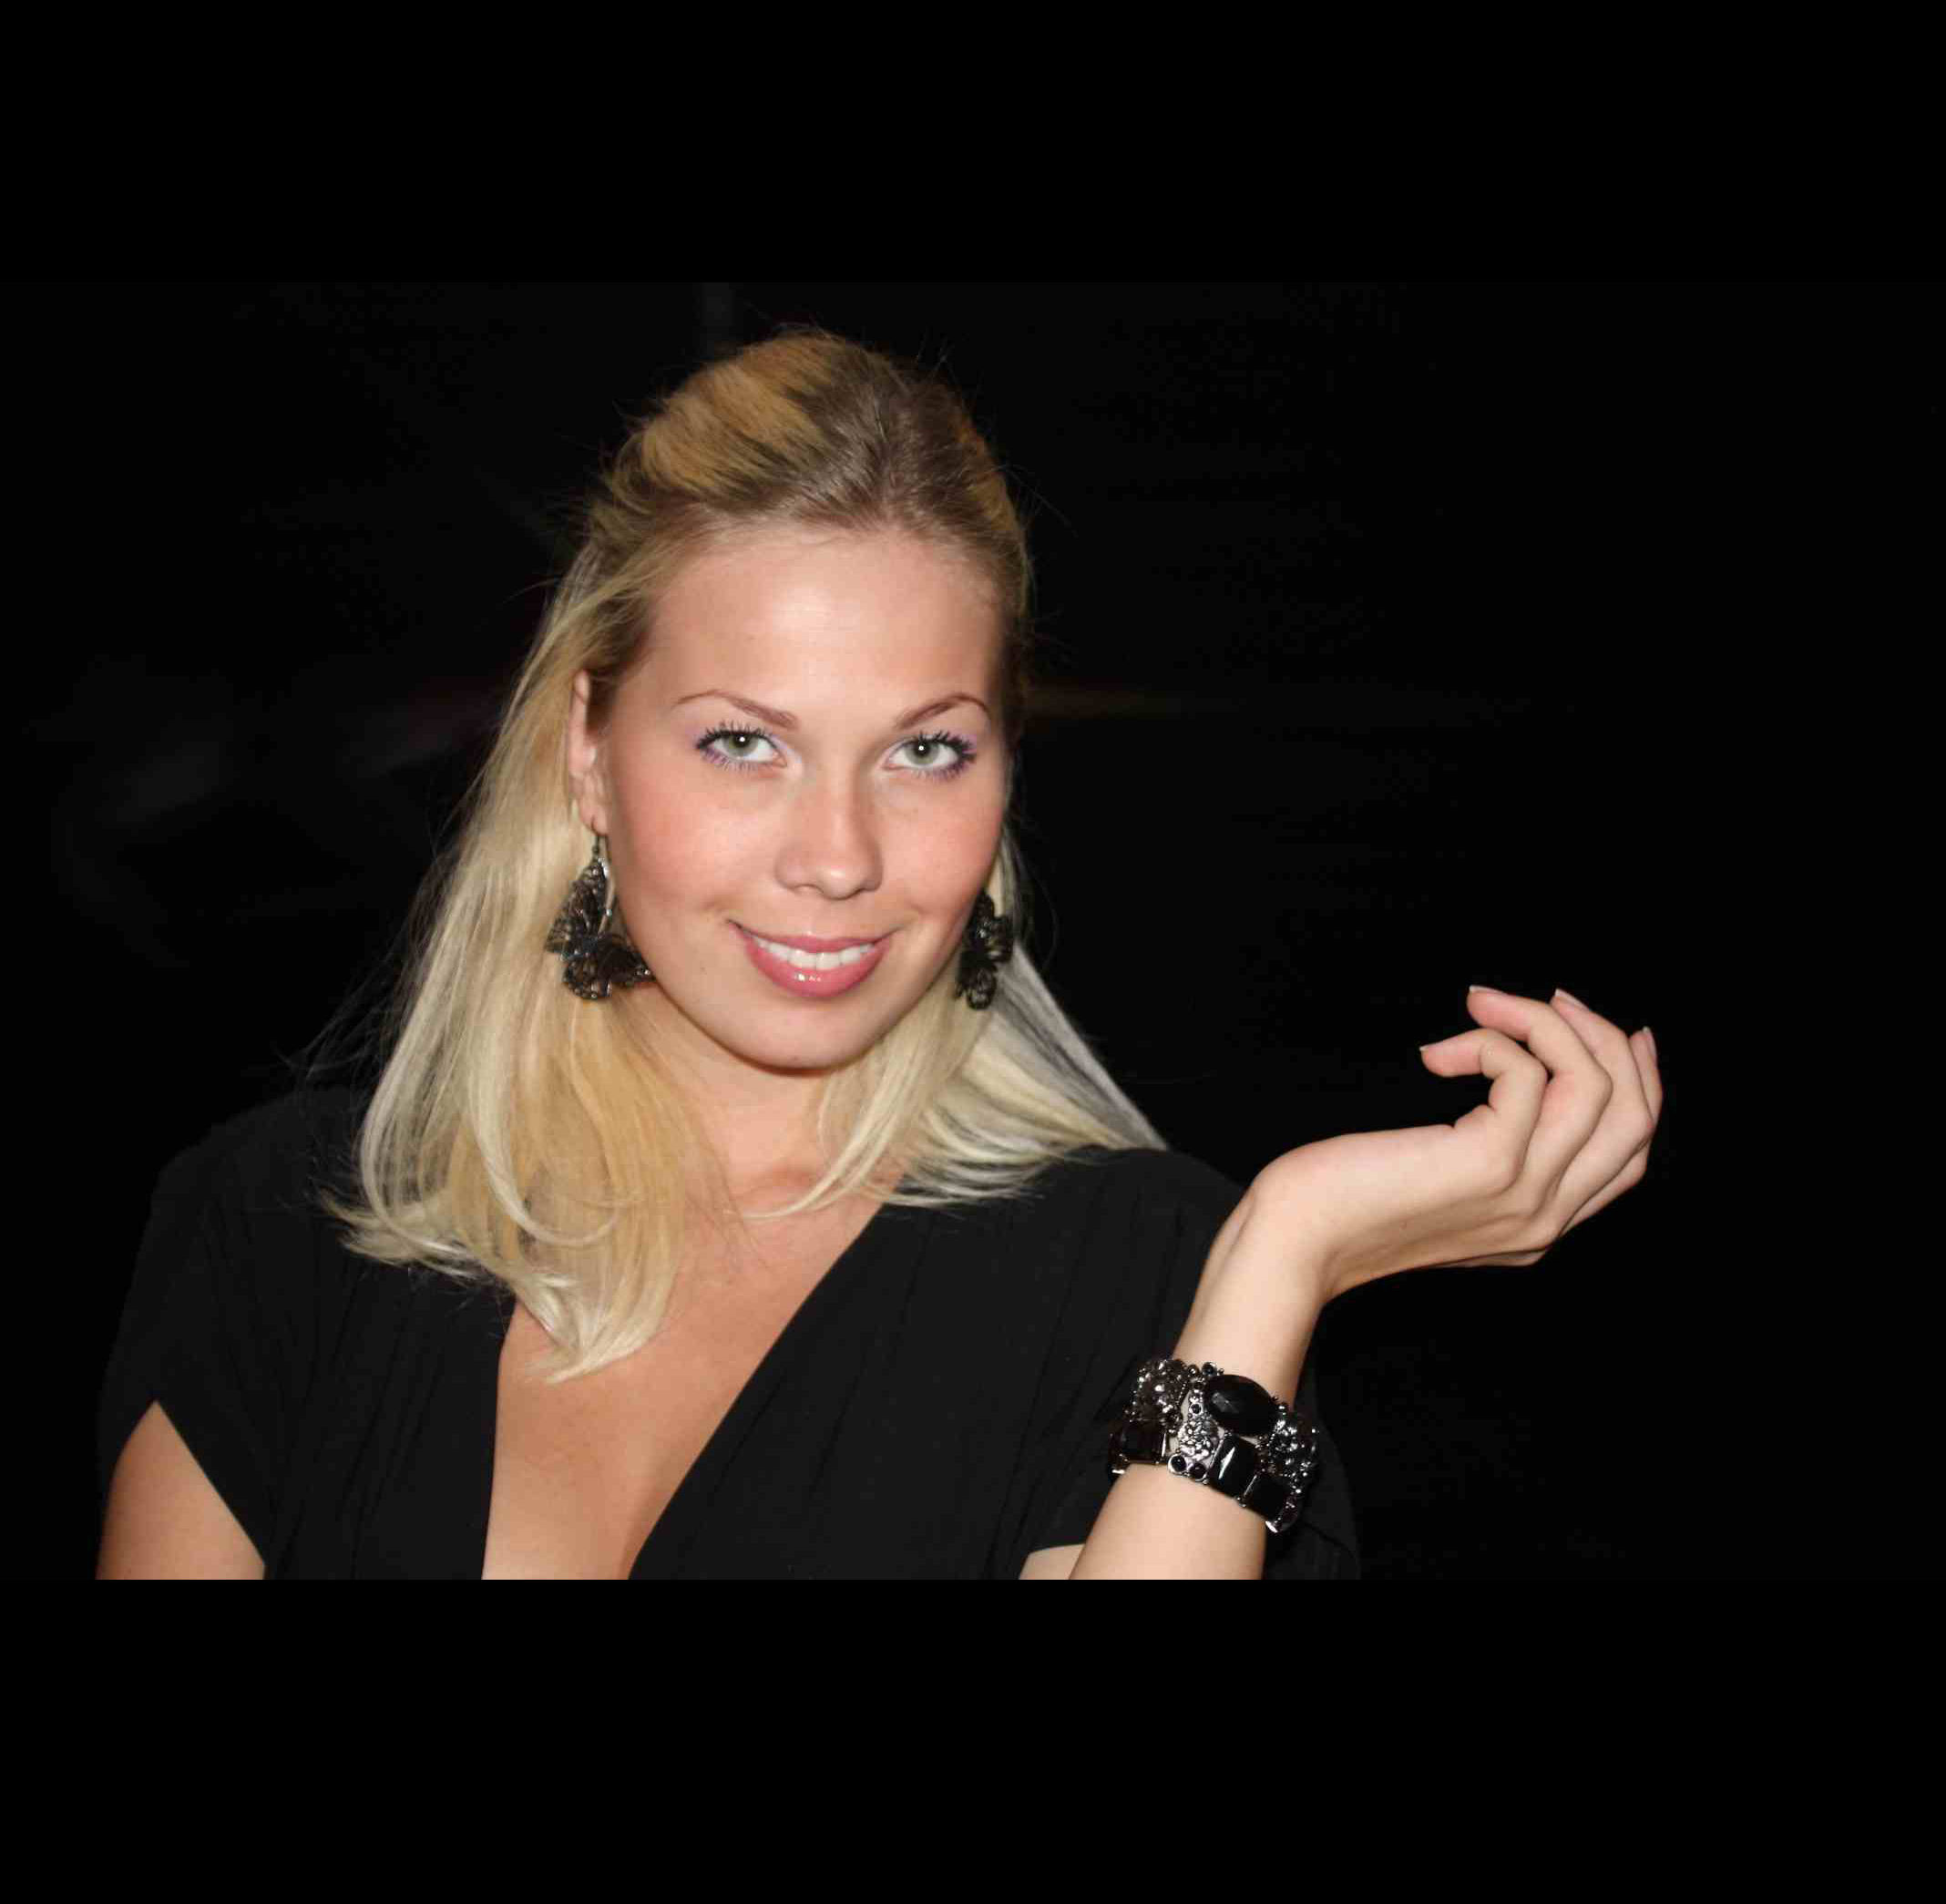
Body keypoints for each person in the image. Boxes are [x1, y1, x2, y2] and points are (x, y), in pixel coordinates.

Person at [95, 327, 1664, 1581]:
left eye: (925, 751)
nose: (839, 857)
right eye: (743, 743)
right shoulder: (283, 1223)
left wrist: (1282, 1255)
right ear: (587, 749)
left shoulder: (1151, 1285)